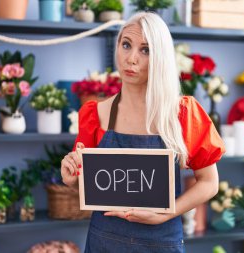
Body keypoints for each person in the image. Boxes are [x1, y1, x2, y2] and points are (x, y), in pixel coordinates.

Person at [61, 12, 225, 253]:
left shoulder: (182, 114)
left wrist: (165, 213)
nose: (132, 58)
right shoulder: (96, 114)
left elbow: (209, 183)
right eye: (126, 45)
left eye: (145, 50)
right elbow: (94, 188)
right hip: (103, 243)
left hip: (160, 243)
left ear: (160, 57)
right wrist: (72, 180)